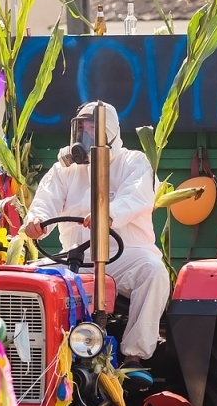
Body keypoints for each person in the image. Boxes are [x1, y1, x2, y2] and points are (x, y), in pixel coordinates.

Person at [22, 102, 170, 363]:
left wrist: (107, 214)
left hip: (124, 257)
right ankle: (30, 360)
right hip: (74, 260)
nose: (86, 132)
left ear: (109, 131)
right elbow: (45, 201)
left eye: (92, 127)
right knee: (26, 280)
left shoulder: (133, 162)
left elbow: (136, 197)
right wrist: (36, 221)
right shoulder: (64, 168)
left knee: (154, 272)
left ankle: (134, 358)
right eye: (82, 127)